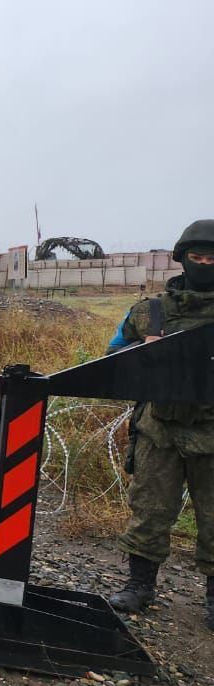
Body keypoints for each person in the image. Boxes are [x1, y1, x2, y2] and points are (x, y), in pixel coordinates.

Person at [106, 219, 214, 632]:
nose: (204, 265)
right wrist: (142, 349)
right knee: (150, 511)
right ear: (182, 259)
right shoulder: (150, 312)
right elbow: (113, 357)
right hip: (160, 430)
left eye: (213, 259)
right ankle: (139, 586)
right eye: (197, 257)